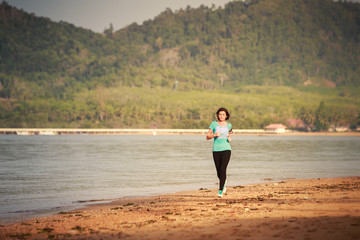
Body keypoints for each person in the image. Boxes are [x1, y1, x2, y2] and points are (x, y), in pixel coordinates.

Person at [206, 107, 232, 198]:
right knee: (218, 172)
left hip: (226, 149)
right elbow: (207, 136)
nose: (221, 116)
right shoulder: (214, 124)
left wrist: (229, 138)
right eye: (220, 114)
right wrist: (214, 135)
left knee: (222, 169)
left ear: (226, 116)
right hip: (216, 150)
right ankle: (224, 182)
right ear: (217, 115)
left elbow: (229, 133)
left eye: (223, 114)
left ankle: (220, 191)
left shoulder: (229, 125)